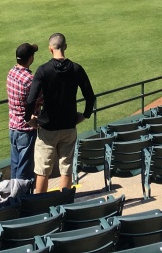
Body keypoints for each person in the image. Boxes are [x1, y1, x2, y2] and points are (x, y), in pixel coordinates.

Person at [24, 33, 96, 194]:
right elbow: (90, 97)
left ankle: (39, 207)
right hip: (69, 126)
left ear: (50, 49)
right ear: (65, 47)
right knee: (66, 168)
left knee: (43, 170)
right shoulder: (77, 69)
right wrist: (84, 115)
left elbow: (30, 100)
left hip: (47, 128)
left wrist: (29, 119)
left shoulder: (43, 70)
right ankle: (64, 204)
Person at [7, 43, 39, 183]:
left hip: (13, 127)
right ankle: (21, 201)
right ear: (30, 58)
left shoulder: (11, 72)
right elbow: (41, 99)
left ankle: (13, 200)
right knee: (24, 171)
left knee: (15, 166)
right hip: (26, 129)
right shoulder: (30, 80)